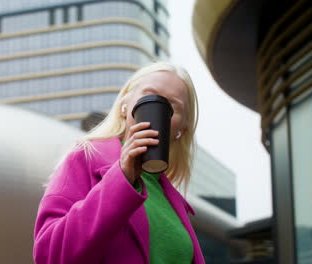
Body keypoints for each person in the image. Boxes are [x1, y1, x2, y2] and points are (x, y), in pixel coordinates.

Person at [33, 61, 205, 264]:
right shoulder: (84, 158)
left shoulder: (173, 202)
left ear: (180, 130)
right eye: (148, 96)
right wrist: (121, 177)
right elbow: (50, 255)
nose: (159, 109)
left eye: (172, 106)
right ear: (125, 106)